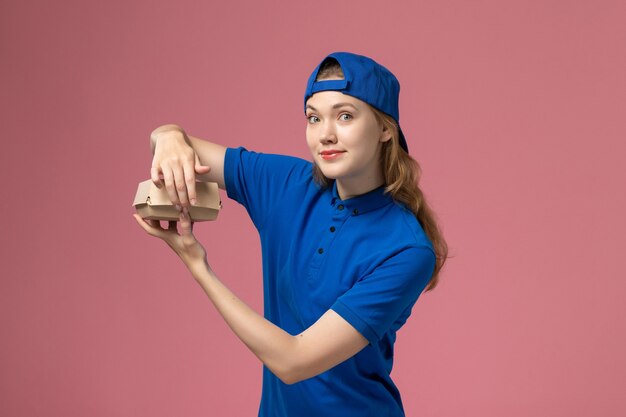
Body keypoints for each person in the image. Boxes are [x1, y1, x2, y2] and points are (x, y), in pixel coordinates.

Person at [133, 51, 448, 417]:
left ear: (384, 129)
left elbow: (293, 361)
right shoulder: (286, 184)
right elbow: (176, 145)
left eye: (345, 116)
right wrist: (169, 136)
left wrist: (198, 265)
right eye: (314, 118)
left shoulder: (406, 249)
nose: (325, 135)